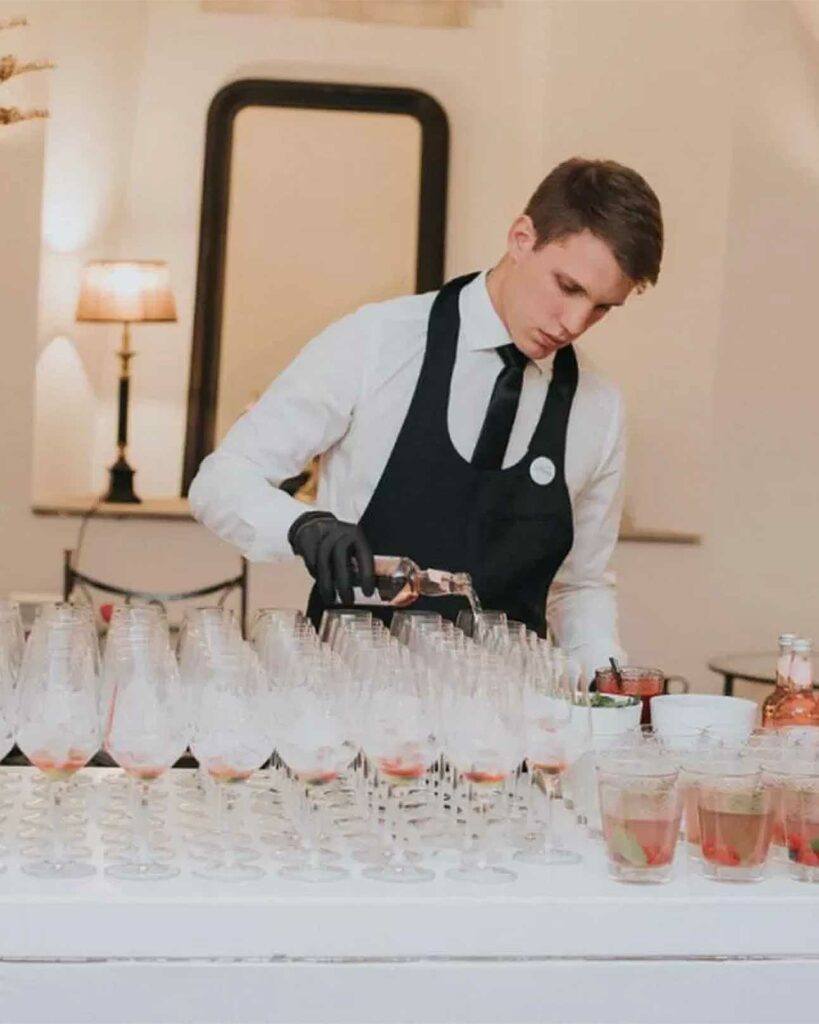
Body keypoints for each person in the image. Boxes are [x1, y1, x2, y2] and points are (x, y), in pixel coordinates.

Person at [189, 157, 663, 679]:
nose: (575, 323)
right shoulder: (376, 341)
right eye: (568, 287)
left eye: (602, 307)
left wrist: (610, 682)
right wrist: (302, 525)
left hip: (509, 727)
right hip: (352, 709)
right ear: (522, 237)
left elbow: (580, 585)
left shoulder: (598, 406)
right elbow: (222, 480)